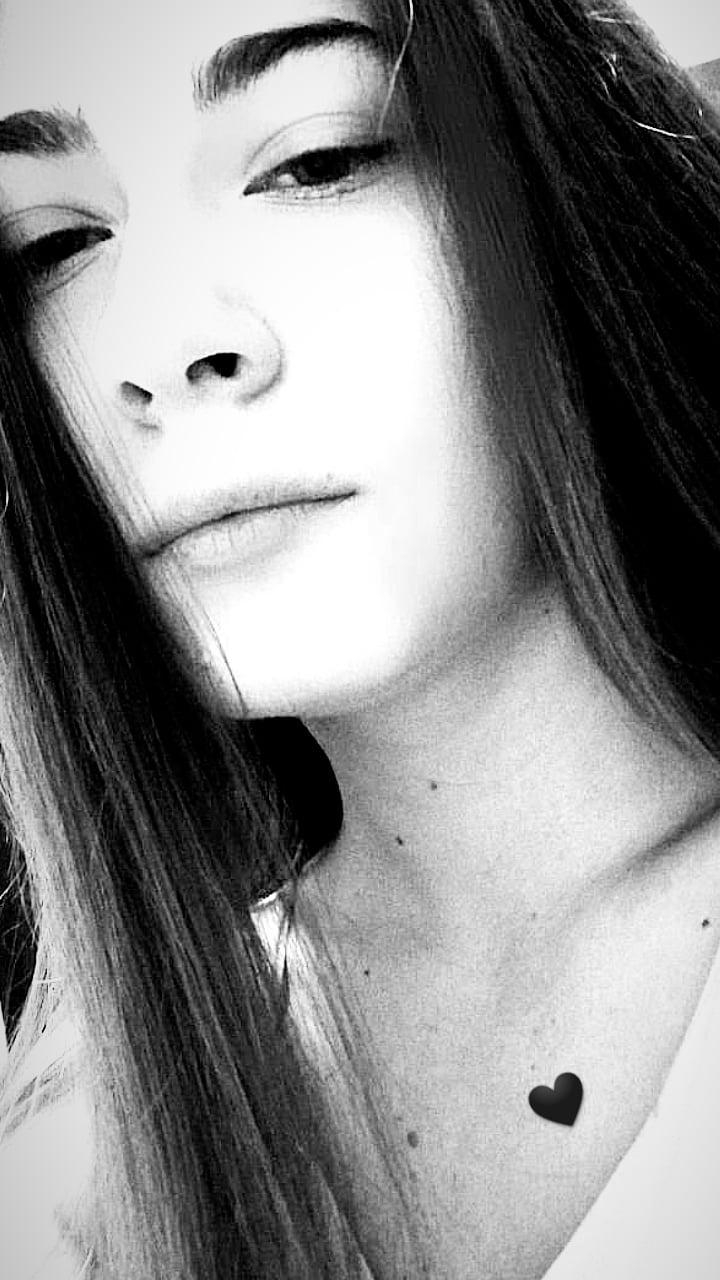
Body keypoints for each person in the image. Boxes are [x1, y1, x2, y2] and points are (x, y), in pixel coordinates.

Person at [1, 0, 720, 1276]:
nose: (157, 344)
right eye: (54, 244)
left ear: (568, 180)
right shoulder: (74, 1155)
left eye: (317, 159)